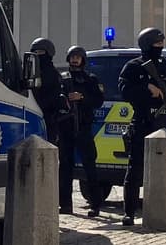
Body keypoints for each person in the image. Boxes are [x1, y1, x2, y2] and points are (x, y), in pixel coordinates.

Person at [119, 27, 166, 226]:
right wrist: (146, 88)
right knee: (135, 169)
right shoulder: (133, 66)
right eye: (157, 44)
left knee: (163, 170)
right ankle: (129, 212)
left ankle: (160, 209)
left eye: (162, 44)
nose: (160, 47)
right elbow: (124, 90)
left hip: (163, 123)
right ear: (147, 45)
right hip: (142, 121)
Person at [57, 46, 104, 217]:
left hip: (83, 127)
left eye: (78, 57)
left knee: (90, 166)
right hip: (66, 128)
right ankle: (65, 204)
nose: (75, 60)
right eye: (72, 57)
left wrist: (82, 98)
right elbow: (56, 99)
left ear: (83, 59)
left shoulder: (90, 79)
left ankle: (95, 204)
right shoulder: (62, 78)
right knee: (65, 167)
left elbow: (98, 100)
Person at [30, 37, 62, 144]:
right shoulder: (29, 72)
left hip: (48, 118)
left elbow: (54, 97)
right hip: (31, 114)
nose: (38, 55)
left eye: (41, 52)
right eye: (35, 52)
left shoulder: (53, 75)